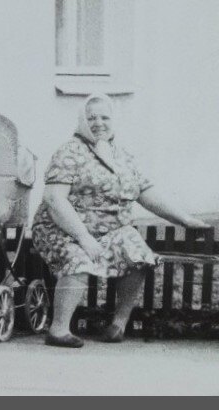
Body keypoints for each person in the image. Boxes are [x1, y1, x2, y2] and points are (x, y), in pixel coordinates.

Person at [32, 93, 206, 347]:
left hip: (110, 229)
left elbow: (146, 193)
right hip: (63, 228)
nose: (98, 123)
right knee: (78, 259)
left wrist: (185, 220)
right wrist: (83, 237)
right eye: (91, 118)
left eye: (104, 117)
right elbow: (54, 199)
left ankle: (118, 325)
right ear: (82, 121)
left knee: (137, 254)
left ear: (113, 120)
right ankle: (58, 330)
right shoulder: (69, 152)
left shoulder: (122, 154)